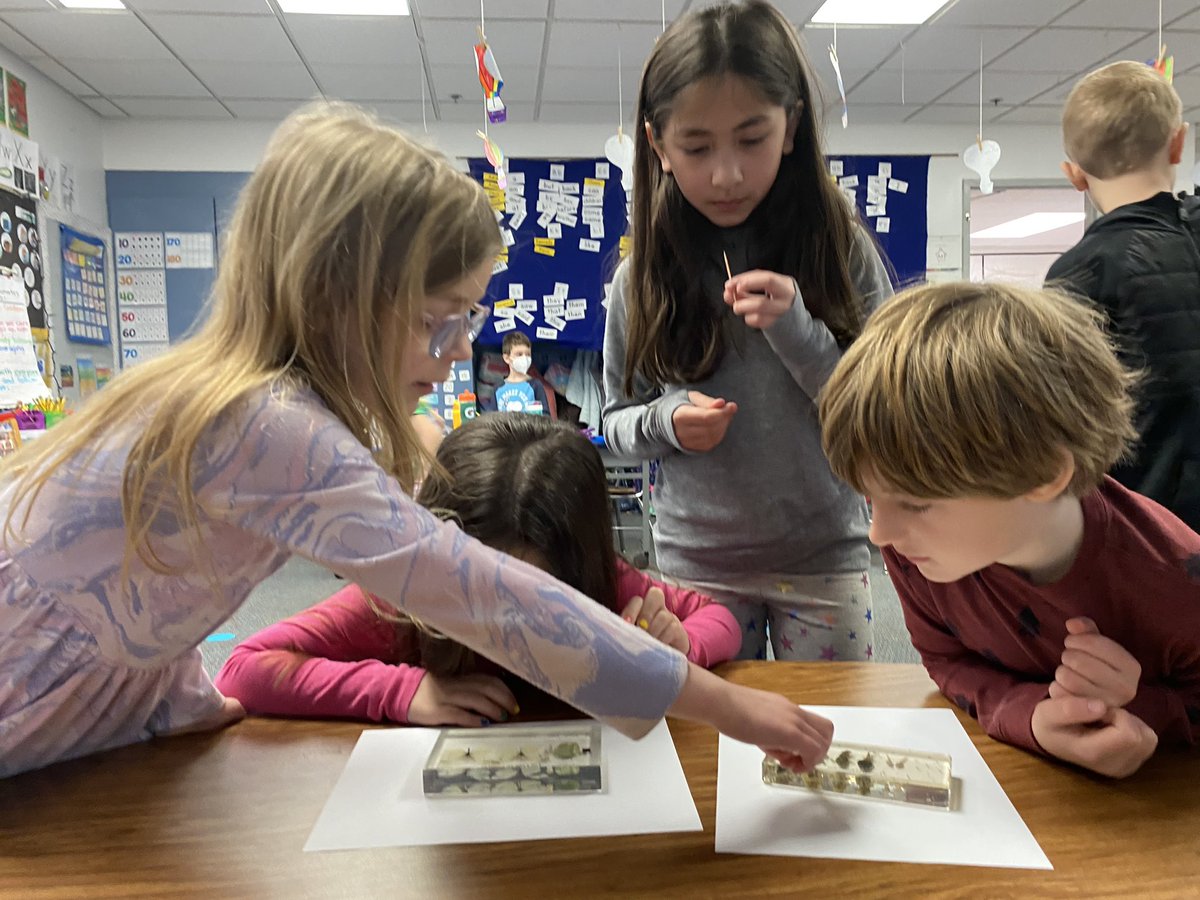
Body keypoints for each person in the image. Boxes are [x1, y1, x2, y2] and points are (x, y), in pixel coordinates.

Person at [0, 103, 834, 778]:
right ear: (339, 297)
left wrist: (172, 695)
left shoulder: (230, 396)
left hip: (88, 696)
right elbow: (489, 598)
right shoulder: (269, 428)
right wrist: (729, 708)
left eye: (464, 324)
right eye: (436, 322)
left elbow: (155, 583)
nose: (448, 360)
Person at [602, 0, 893, 662]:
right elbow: (615, 424)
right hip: (696, 567)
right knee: (705, 750)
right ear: (658, 147)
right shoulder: (640, 277)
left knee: (830, 741)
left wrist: (800, 334)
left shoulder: (840, 252)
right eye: (697, 147)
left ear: (790, 128)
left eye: (752, 138)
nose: (726, 174)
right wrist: (668, 420)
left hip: (826, 557)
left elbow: (883, 412)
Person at [819, 280, 1200, 779]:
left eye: (916, 503)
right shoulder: (918, 554)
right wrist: (1036, 717)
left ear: (1043, 475)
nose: (879, 535)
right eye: (870, 498)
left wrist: (1140, 709)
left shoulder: (1173, 578)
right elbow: (944, 660)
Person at [215, 413, 741, 726]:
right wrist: (401, 692)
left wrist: (679, 650)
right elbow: (243, 669)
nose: (508, 623)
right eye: (483, 594)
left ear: (578, 573)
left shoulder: (607, 587)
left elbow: (720, 619)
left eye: (538, 597)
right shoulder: (401, 601)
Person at [1046, 60, 1200, 530]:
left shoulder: (1078, 273)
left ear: (1075, 175)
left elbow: (1060, 417)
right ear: (1178, 143)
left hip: (1146, 525)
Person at [496, 331, 549, 414]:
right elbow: (491, 419)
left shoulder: (535, 385)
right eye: (519, 354)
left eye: (528, 354)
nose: (524, 358)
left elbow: (545, 415)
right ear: (506, 358)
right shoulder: (498, 388)